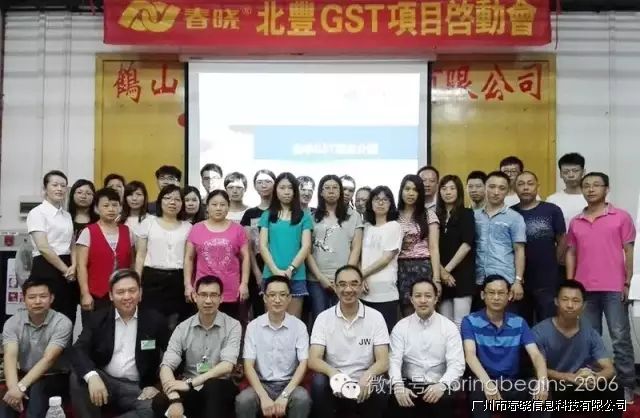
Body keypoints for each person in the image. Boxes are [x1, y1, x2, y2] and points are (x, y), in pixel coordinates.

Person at [565, 172, 636, 403]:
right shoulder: (576, 221)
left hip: (614, 287)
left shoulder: (621, 217)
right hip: (584, 290)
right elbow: (571, 253)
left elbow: (629, 252)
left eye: (596, 185)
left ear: (607, 189)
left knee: (620, 338)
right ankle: (595, 387)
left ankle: (626, 386)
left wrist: (627, 282)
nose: (591, 189)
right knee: (589, 340)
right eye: (586, 185)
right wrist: (570, 285)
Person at [69, 269, 169, 418]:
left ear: (140, 293)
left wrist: (158, 386)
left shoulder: (155, 320)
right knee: (78, 376)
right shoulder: (98, 318)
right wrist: (92, 376)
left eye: (132, 291)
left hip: (138, 388)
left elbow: (173, 354)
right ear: (111, 295)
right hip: (105, 382)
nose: (127, 297)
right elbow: (78, 349)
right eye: (120, 292)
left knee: (153, 409)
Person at [152, 276, 241, 418]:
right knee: (159, 401)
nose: (208, 300)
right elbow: (166, 365)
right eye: (203, 295)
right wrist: (174, 398)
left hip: (220, 387)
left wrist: (191, 383)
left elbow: (227, 365)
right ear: (195, 296)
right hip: (191, 389)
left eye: (213, 295)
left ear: (221, 298)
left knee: (213, 387)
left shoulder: (233, 325)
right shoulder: (182, 328)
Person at [461, 275, 550, 418]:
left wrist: (543, 381)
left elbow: (535, 355)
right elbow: (470, 355)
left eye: (501, 293)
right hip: (485, 381)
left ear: (509, 296)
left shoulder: (519, 322)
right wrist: (487, 383)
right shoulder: (470, 321)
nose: (496, 297)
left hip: (513, 384)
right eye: (491, 292)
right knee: (477, 389)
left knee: (538, 387)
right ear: (483, 295)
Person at [532, 280, 624, 418]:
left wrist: (594, 378)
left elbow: (609, 368)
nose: (570, 305)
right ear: (556, 301)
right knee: (540, 389)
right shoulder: (539, 332)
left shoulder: (590, 332)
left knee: (615, 386)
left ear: (584, 305)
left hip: (582, 384)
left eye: (575, 301)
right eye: (565, 299)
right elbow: (537, 369)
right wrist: (568, 377)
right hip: (555, 385)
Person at [309, 265, 390, 418]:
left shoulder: (375, 317)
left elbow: (383, 361)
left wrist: (369, 374)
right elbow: (313, 359)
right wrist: (333, 374)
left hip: (364, 380)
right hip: (334, 380)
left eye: (354, 284)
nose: (348, 289)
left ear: (362, 286)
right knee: (318, 383)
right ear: (335, 287)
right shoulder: (323, 318)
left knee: (382, 384)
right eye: (342, 284)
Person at [235, 276, 311, 418]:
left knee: (302, 398)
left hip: (289, 384)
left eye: (282, 295)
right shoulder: (253, 327)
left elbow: (303, 364)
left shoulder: (299, 327)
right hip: (261, 383)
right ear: (265, 298)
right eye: (272, 295)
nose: (277, 300)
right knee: (244, 400)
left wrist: (285, 395)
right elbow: (248, 365)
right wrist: (263, 396)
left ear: (289, 298)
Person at [389, 279, 464, 418]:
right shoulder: (401, 327)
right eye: (418, 296)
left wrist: (442, 385)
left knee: (444, 401)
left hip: (439, 384)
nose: (423, 300)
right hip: (409, 384)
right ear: (411, 299)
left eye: (428, 296)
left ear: (436, 299)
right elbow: (394, 361)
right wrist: (398, 386)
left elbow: (457, 364)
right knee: (397, 399)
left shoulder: (449, 327)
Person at [1, 278, 72, 418]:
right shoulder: (12, 323)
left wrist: (21, 387)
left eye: (43, 296)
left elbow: (49, 359)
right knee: (6, 404)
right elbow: (10, 356)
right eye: (32, 297)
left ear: (51, 298)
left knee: (36, 403)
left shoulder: (62, 322)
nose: (37, 301)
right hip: (24, 374)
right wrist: (14, 389)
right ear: (24, 299)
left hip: (53, 376)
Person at [185, 190, 249, 320]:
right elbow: (189, 258)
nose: (218, 208)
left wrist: (244, 284)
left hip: (231, 290)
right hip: (204, 290)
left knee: (230, 326)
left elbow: (246, 257)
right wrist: (188, 285)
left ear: (228, 207)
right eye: (214, 204)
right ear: (207, 207)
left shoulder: (238, 230)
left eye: (222, 204)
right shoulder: (196, 228)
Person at [307, 175, 363, 320]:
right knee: (320, 319)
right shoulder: (311, 217)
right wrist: (320, 277)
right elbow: (307, 251)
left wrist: (345, 276)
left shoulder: (354, 216)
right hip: (317, 280)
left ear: (340, 192)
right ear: (321, 192)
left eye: (335, 188)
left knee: (344, 318)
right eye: (327, 188)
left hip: (345, 280)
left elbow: (356, 248)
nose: (331, 191)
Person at [135, 185, 192, 327]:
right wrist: (137, 284)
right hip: (152, 278)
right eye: (167, 198)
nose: (172, 202)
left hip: (177, 280)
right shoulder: (148, 222)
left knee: (175, 325)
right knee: (151, 323)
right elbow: (140, 256)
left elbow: (188, 259)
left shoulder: (188, 227)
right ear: (160, 201)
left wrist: (187, 285)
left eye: (177, 199)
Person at [513, 171, 566, 323]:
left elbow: (562, 240)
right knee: (522, 323)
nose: (525, 188)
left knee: (548, 322)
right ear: (515, 188)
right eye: (521, 184)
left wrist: (554, 262)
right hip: (520, 280)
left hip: (547, 279)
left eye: (530, 184)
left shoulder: (552, 210)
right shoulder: (511, 212)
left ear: (538, 187)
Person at [76, 188, 135, 323]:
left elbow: (132, 263)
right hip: (96, 294)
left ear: (120, 207)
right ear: (97, 208)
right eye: (106, 205)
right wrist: (85, 294)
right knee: (94, 331)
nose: (111, 209)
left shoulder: (127, 231)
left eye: (115, 205)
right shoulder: (88, 232)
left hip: (123, 295)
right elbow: (81, 266)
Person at [259, 173, 313, 319]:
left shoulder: (304, 216)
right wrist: (275, 270)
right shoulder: (267, 215)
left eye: (290, 188)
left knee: (294, 323)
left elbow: (306, 246)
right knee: (272, 322)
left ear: (295, 191)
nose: (286, 192)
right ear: (276, 190)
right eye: (282, 188)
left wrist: (290, 269)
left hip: (296, 276)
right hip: (271, 274)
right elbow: (263, 246)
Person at [27, 170, 77, 324]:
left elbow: (72, 243)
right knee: (46, 315)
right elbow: (43, 247)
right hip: (46, 266)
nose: (59, 189)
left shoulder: (67, 215)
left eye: (63, 186)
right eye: (55, 185)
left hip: (68, 267)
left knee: (68, 313)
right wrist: (65, 270)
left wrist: (74, 266)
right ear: (45, 189)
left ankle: (66, 341)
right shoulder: (37, 213)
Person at [473, 171, 526, 311]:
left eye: (502, 188)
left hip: (505, 279)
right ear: (485, 188)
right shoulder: (474, 216)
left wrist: (518, 281)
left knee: (506, 320)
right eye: (492, 187)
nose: (496, 192)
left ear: (507, 191)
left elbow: (519, 250)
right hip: (478, 279)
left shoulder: (515, 217)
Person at [397, 174, 440, 317]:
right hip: (400, 268)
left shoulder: (428, 215)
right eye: (407, 189)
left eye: (415, 190)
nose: (410, 193)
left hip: (423, 266)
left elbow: (434, 248)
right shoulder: (393, 215)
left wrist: (437, 278)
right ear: (401, 191)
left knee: (424, 309)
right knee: (406, 311)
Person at [361, 186, 403, 331]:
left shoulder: (394, 226)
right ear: (371, 203)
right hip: (364, 292)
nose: (380, 203)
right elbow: (361, 256)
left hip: (385, 293)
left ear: (391, 204)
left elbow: (386, 259)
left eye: (385, 200)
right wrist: (362, 278)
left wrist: (361, 275)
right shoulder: (366, 227)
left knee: (384, 335)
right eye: (376, 199)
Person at [435, 175, 475, 328]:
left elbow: (466, 245)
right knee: (445, 324)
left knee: (461, 323)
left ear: (458, 191)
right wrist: (442, 272)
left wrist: (447, 271)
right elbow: (430, 246)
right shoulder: (434, 215)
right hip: (441, 275)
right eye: (444, 188)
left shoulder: (467, 214)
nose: (448, 192)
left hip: (462, 275)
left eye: (452, 188)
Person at [241, 169, 276, 318]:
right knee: (260, 311)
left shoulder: (282, 211)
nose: (264, 185)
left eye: (268, 181)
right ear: (254, 186)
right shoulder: (250, 214)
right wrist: (256, 272)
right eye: (259, 182)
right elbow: (248, 246)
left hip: (279, 263)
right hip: (258, 265)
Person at [546, 153, 587, 229]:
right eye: (566, 172)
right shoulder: (552, 200)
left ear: (583, 172)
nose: (571, 175)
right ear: (560, 174)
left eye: (575, 171)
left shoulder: (592, 198)